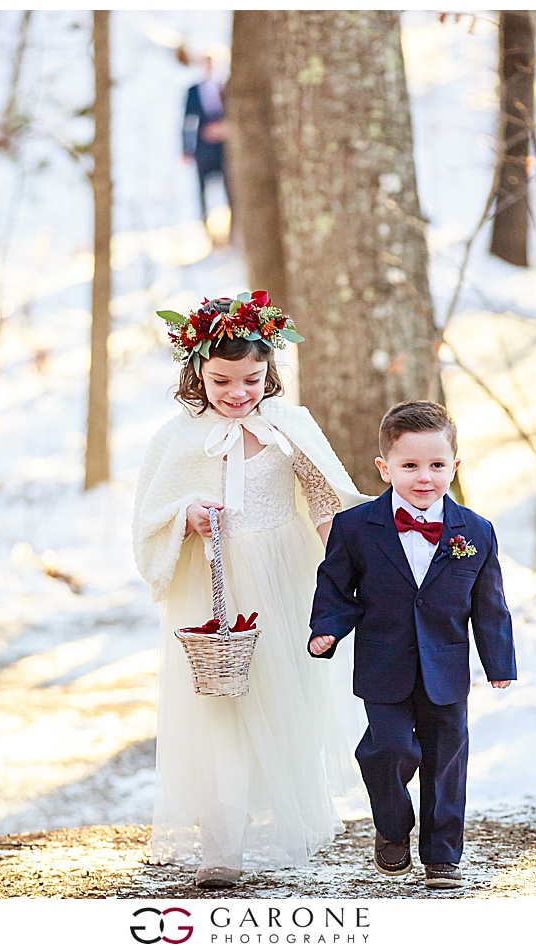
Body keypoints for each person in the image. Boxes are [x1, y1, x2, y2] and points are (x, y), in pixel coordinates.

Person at [133, 291, 370, 888]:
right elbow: (149, 514)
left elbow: (323, 500)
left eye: (252, 379)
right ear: (197, 374)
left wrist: (346, 563)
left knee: (282, 696)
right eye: (221, 381)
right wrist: (186, 512)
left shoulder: (290, 427)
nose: (238, 393)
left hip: (282, 575)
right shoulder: (179, 436)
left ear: (270, 373)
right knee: (217, 705)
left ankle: (289, 821)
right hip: (209, 579)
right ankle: (221, 846)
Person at [308, 401, 517, 890]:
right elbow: (336, 586)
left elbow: (490, 606)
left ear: (455, 466)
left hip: (447, 668)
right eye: (410, 465)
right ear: (384, 468)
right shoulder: (356, 527)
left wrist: (498, 660)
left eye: (437, 465)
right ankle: (392, 827)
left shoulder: (477, 531)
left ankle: (442, 854)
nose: (424, 477)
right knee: (389, 749)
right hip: (384, 664)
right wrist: (328, 628)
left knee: (446, 761)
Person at [182, 54, 230, 225]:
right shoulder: (193, 91)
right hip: (203, 149)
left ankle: (232, 231)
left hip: (224, 149)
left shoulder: (224, 89)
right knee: (202, 191)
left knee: (229, 190)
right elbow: (188, 122)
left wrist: (225, 129)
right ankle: (205, 226)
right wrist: (186, 150)